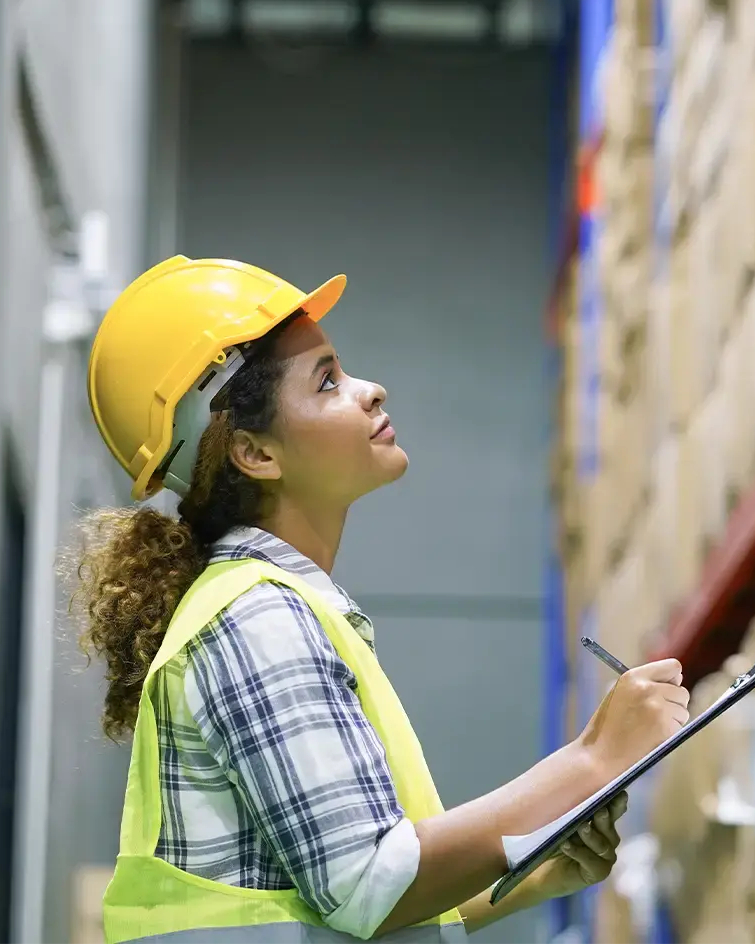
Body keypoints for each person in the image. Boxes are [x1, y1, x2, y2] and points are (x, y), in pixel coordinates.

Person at [67, 255, 691, 943]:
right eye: (328, 381)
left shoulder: (278, 609)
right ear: (255, 453)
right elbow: (368, 884)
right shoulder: (257, 619)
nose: (371, 390)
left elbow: (342, 908)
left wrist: (536, 873)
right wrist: (592, 759)